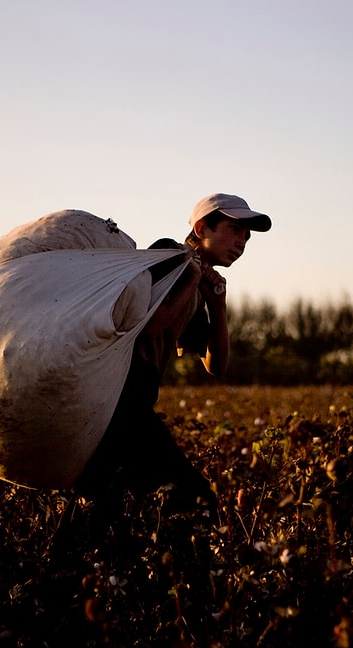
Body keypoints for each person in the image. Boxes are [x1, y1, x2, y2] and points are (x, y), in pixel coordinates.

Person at [65, 193, 272, 534]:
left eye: (247, 236)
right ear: (202, 227)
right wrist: (192, 277)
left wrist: (217, 305)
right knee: (196, 501)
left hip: (133, 402)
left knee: (105, 509)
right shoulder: (167, 254)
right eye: (235, 229)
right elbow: (149, 326)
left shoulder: (197, 285)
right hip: (121, 399)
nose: (242, 242)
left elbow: (216, 364)